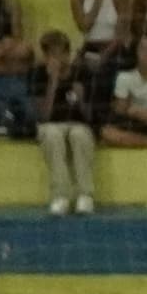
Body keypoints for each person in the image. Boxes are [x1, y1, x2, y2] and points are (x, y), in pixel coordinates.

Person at [31, 33, 104, 218]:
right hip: (51, 125)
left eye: (61, 53)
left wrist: (81, 100)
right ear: (46, 56)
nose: (57, 58)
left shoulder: (83, 73)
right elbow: (44, 116)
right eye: (52, 54)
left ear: (68, 54)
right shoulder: (38, 74)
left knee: (79, 135)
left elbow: (90, 117)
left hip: (78, 124)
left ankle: (85, 195)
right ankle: (60, 196)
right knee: (52, 135)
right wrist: (53, 82)